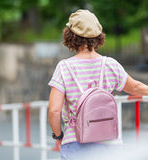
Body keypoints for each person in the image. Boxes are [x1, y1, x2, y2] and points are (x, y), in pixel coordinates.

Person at [48, 9, 148, 160]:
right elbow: (135, 87)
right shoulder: (110, 64)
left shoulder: (64, 67)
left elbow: (54, 111)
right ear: (98, 36)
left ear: (70, 35)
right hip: (109, 145)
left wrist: (58, 135)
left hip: (76, 143)